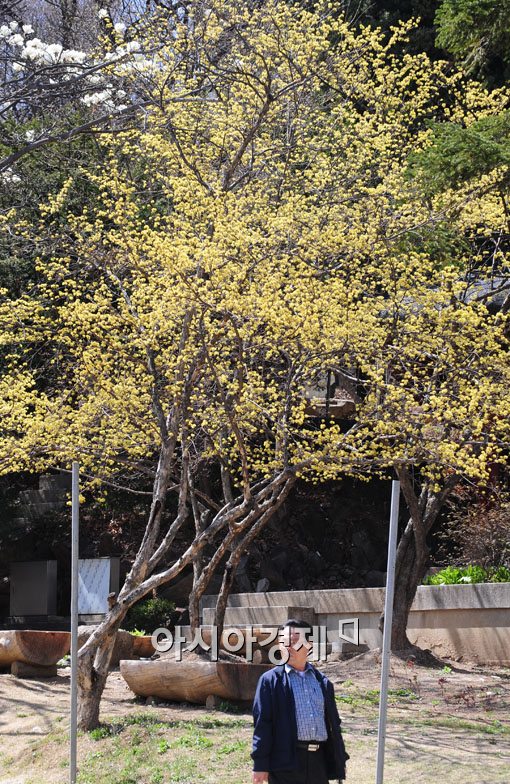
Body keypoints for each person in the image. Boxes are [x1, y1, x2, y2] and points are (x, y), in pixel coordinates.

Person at [252, 618, 349, 783]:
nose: (288, 646)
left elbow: (334, 724)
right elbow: (263, 724)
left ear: (309, 644)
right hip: (286, 762)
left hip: (319, 762)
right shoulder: (270, 681)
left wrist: (340, 757)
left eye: (295, 641)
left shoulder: (322, 682)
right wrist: (260, 764)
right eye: (284, 641)